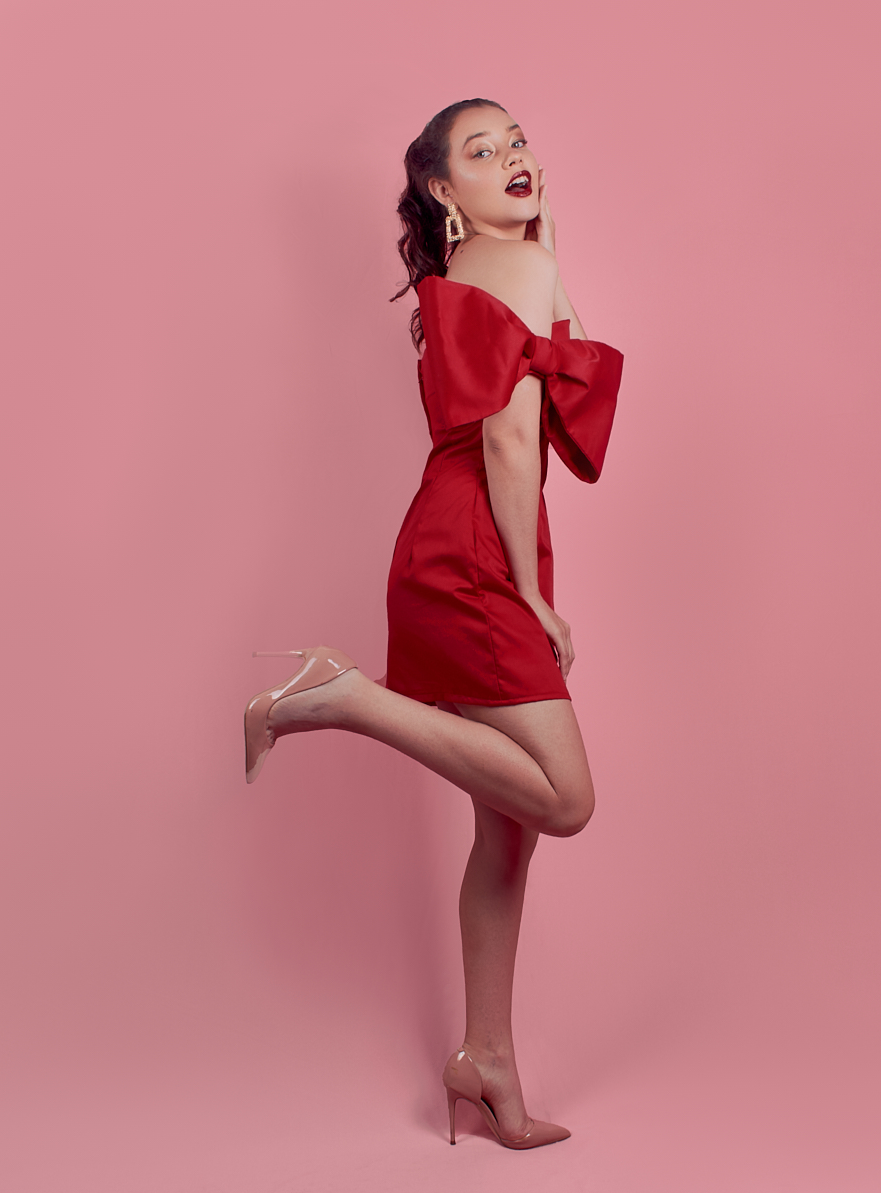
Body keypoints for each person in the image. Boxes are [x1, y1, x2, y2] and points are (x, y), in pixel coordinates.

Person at [243, 98, 624, 1150]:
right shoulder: (512, 269)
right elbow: (510, 443)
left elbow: (545, 397)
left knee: (503, 840)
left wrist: (552, 258)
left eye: (517, 140)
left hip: (452, 538)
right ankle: (342, 697)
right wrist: (529, 590)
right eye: (481, 151)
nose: (513, 156)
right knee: (563, 802)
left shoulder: (473, 272)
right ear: (442, 192)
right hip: (475, 549)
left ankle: (484, 1059)